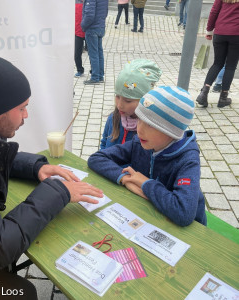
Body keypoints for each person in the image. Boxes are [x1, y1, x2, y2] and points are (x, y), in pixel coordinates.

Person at [0, 55, 103, 298]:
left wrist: (35, 167)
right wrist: (60, 191)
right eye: (22, 108)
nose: (25, 115)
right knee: (22, 292)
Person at [88, 86, 207, 227]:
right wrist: (126, 179)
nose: (139, 129)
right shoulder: (139, 142)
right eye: (139, 119)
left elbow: (184, 213)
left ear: (172, 131)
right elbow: (96, 159)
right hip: (148, 213)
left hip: (187, 232)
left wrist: (145, 183)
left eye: (150, 125)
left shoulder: (187, 160)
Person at [100, 59, 162, 149]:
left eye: (128, 100)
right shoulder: (113, 118)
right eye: (117, 96)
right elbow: (104, 143)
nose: (119, 105)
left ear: (144, 100)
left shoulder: (151, 128)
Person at [196, 0, 239, 108]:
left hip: (220, 32)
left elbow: (214, 11)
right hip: (236, 34)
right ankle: (223, 98)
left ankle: (203, 93)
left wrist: (209, 30)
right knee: (230, 66)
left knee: (217, 63)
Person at [81, 0, 109, 85]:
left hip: (92, 28)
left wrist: (83, 25)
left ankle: (95, 77)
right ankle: (100, 76)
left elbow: (89, 14)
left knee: (93, 54)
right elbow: (106, 11)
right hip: (100, 27)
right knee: (99, 53)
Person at [75, 0, 86, 78]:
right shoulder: (74, 2)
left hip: (88, 31)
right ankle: (79, 70)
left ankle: (93, 70)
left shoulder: (89, 2)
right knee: (76, 54)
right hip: (77, 32)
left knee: (92, 53)